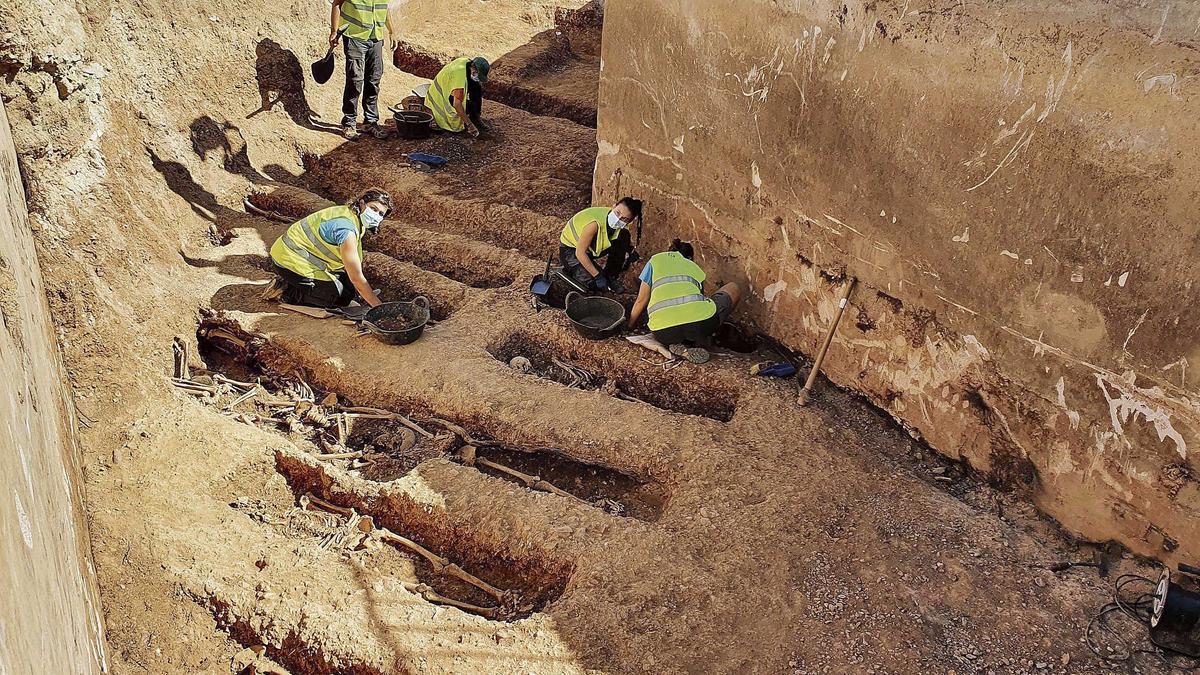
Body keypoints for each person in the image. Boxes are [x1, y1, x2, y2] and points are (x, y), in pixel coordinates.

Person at [267, 188, 393, 309]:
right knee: (340, 297)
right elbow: (356, 278)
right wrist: (378, 307)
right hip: (289, 260)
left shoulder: (352, 216)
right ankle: (288, 291)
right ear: (362, 203)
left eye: (380, 213)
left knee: (349, 289)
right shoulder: (346, 230)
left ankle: (297, 284)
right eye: (373, 208)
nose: (376, 215)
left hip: (303, 257)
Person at [625, 239, 742, 363]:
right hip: (700, 326)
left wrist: (629, 326)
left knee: (678, 324)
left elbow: (641, 300)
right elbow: (699, 300)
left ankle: (677, 344)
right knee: (734, 288)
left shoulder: (655, 261)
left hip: (663, 332)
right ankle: (702, 339)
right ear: (690, 257)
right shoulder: (693, 267)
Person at [329, 0, 396, 140]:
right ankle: (349, 122)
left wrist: (392, 31)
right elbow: (336, 4)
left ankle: (370, 122)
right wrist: (334, 31)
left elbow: (384, 8)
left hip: (376, 38)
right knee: (355, 80)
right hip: (355, 37)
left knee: (374, 79)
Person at [559, 197, 642, 293]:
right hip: (570, 250)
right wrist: (597, 276)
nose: (618, 219)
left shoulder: (621, 226)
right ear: (614, 206)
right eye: (617, 213)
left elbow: (620, 241)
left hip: (590, 250)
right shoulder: (594, 225)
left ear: (629, 221)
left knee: (623, 235)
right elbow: (580, 253)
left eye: (624, 219)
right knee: (591, 283)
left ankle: (611, 276)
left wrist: (629, 249)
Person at [427, 56, 491, 138]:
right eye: (478, 75)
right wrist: (469, 125)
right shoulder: (460, 81)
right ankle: (469, 119)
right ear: (474, 69)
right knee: (465, 107)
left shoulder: (467, 63)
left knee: (477, 87)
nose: (478, 78)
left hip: (448, 85)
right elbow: (457, 104)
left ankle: (475, 117)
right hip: (439, 96)